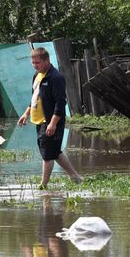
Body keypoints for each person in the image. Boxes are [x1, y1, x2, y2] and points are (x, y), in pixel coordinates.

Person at [17, 47, 82, 189]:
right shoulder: (37, 76)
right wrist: (26, 114)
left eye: (38, 62)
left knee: (47, 154)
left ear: (47, 60)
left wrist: (52, 124)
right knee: (54, 151)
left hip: (51, 121)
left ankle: (43, 185)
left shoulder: (55, 77)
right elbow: (34, 97)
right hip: (39, 121)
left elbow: (60, 102)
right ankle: (75, 177)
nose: (35, 65)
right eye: (33, 63)